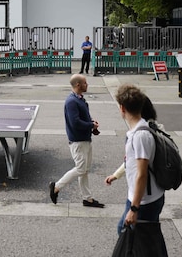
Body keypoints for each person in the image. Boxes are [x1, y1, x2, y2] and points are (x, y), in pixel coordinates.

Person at [113, 84, 167, 255]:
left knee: (138, 237)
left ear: (122, 108)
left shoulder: (140, 135)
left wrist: (134, 208)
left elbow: (142, 174)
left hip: (144, 200)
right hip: (145, 197)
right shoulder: (138, 130)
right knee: (140, 235)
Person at [49, 73, 104, 208]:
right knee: (80, 169)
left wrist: (91, 123)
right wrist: (91, 125)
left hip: (85, 139)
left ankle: (87, 199)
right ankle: (56, 187)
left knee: (84, 170)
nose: (87, 85)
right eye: (85, 83)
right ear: (78, 85)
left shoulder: (79, 99)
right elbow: (75, 123)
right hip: (78, 141)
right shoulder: (71, 101)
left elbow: (82, 118)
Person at [105, 96, 159, 186]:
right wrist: (116, 175)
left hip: (146, 194)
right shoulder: (154, 128)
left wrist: (135, 199)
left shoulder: (141, 135)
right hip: (156, 189)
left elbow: (141, 173)